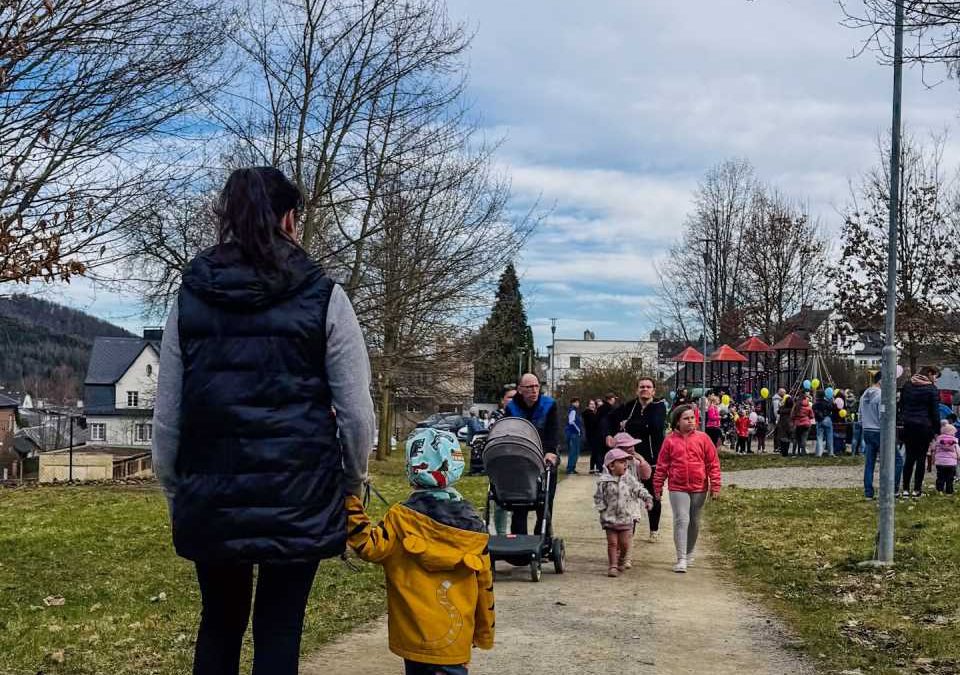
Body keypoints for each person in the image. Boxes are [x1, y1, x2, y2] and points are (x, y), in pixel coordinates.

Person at [151, 166, 375, 675]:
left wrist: (177, 491)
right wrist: (352, 482)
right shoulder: (325, 295)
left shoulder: (190, 297)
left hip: (212, 492)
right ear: (291, 219)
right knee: (280, 626)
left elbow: (168, 417)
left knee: (220, 622)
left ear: (224, 217)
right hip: (301, 491)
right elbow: (358, 414)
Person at [345, 428, 495, 674]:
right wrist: (483, 633)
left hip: (412, 634)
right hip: (455, 638)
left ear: (411, 469)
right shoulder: (475, 529)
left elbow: (369, 548)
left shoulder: (401, 518)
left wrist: (351, 504)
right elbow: (484, 586)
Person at [653, 405, 722, 574]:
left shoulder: (703, 438)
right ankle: (681, 558)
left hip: (699, 487)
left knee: (694, 521)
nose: (691, 421)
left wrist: (715, 485)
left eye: (692, 417)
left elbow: (713, 463)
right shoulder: (669, 440)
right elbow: (662, 465)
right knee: (681, 520)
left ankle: (690, 552)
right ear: (677, 421)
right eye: (686, 418)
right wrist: (658, 485)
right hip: (678, 487)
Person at [603, 378, 668, 542]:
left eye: (648, 387)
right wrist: (610, 434)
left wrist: (629, 424)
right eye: (641, 387)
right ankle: (629, 532)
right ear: (636, 390)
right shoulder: (630, 406)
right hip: (629, 459)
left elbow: (654, 425)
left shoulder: (659, 406)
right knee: (630, 495)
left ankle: (654, 529)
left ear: (654, 391)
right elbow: (609, 418)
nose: (645, 389)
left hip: (652, 458)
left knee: (653, 495)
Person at [504, 373, 560, 536]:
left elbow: (553, 431)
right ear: (520, 389)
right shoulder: (512, 407)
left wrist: (550, 451)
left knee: (545, 502)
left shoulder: (549, 405)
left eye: (536, 386)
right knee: (519, 502)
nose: (534, 390)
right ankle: (518, 540)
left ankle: (542, 537)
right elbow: (508, 431)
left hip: (544, 455)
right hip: (521, 459)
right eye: (529, 387)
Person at [594, 448, 653, 578]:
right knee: (612, 543)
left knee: (625, 544)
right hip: (609, 519)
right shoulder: (604, 481)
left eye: (626, 462)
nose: (625, 464)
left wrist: (647, 499)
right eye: (621, 462)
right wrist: (602, 509)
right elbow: (598, 497)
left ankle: (621, 559)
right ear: (611, 465)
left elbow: (639, 489)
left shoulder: (629, 479)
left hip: (626, 518)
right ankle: (613, 566)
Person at [860, 371, 904, 499]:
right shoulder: (881, 395)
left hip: (867, 430)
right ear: (881, 381)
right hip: (880, 431)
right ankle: (892, 489)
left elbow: (860, 413)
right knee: (897, 461)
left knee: (870, 463)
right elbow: (883, 416)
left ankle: (868, 492)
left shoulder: (864, 395)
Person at [900, 366, 941, 497]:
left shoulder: (907, 385)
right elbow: (935, 412)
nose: (936, 380)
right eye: (935, 376)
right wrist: (937, 430)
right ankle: (917, 489)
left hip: (908, 426)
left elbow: (902, 405)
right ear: (930, 374)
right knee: (921, 457)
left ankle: (905, 489)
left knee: (909, 457)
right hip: (924, 427)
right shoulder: (932, 389)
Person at [487, 385, 516, 534]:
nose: (513, 400)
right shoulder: (496, 417)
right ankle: (501, 533)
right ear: (502, 400)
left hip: (519, 461)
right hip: (501, 462)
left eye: (515, 397)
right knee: (500, 500)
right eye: (510, 397)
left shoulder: (521, 416)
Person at [928, 423, 960, 495]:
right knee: (950, 478)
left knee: (940, 476)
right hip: (951, 463)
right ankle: (949, 491)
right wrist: (958, 457)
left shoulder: (938, 440)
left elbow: (933, 448)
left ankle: (939, 490)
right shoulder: (955, 441)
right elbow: (958, 451)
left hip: (940, 463)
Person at [582, 399, 605, 475]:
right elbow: (594, 422)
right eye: (591, 404)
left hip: (593, 435)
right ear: (588, 405)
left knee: (595, 452)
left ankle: (592, 468)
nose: (593, 405)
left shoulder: (592, 413)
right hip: (593, 435)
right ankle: (597, 468)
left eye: (593, 404)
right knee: (597, 452)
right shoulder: (588, 413)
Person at [564, 397, 584, 475]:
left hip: (573, 433)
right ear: (574, 402)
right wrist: (578, 430)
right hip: (574, 433)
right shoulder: (573, 410)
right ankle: (570, 468)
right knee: (574, 452)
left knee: (575, 451)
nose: (578, 404)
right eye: (577, 402)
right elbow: (571, 421)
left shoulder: (573, 410)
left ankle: (572, 467)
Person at [813, 391, 834, 457]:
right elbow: (831, 408)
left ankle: (819, 453)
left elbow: (813, 409)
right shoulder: (827, 403)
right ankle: (830, 452)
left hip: (819, 420)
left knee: (819, 437)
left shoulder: (815, 404)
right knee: (829, 436)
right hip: (827, 419)